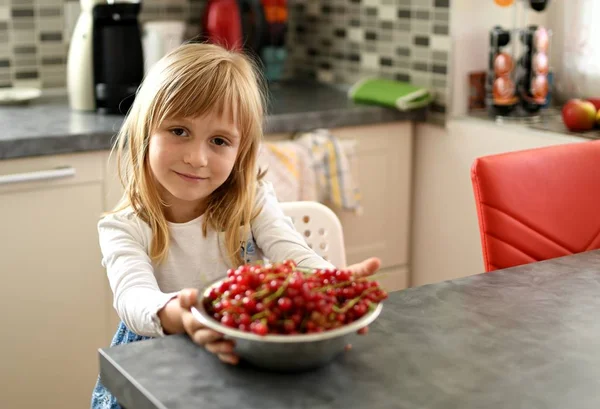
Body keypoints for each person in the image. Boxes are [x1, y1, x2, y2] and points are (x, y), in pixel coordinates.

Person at [91, 42, 381, 409]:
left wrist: (333, 285)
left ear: (240, 152)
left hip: (239, 358)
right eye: (179, 131)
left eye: (219, 141)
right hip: (158, 367)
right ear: (145, 132)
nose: (197, 158)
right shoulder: (124, 227)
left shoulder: (252, 202)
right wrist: (183, 314)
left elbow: (293, 253)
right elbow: (133, 299)